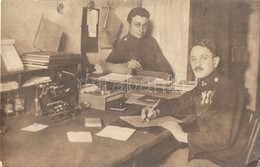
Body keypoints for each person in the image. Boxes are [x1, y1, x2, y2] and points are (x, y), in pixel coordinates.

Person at [141, 39, 249, 167]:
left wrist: (182, 136)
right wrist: (156, 110)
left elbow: (223, 138)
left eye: (203, 58)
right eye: (193, 59)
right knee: (154, 162)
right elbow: (180, 103)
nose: (197, 64)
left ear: (215, 62)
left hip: (223, 158)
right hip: (204, 151)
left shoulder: (228, 89)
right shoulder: (204, 84)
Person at [105, 7, 172, 74]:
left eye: (144, 26)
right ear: (129, 24)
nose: (141, 30)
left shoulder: (151, 41)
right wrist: (125, 66)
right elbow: (106, 66)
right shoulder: (122, 43)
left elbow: (166, 69)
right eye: (137, 25)